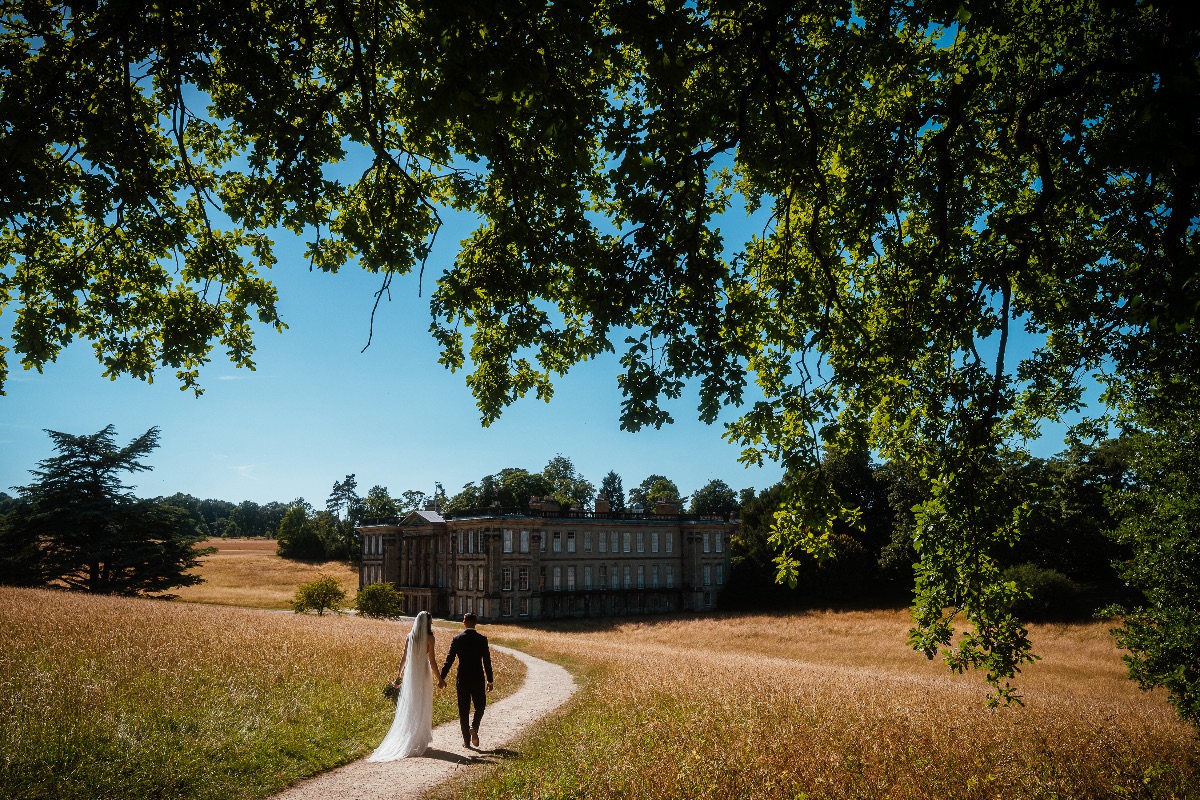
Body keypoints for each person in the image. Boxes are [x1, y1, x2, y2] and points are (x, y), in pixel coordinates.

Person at [368, 611, 439, 760]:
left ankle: (412, 737)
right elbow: (432, 661)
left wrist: (399, 676)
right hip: (423, 673)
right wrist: (440, 678)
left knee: (412, 704)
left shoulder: (410, 637)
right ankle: (419, 739)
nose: (431, 623)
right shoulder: (430, 638)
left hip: (411, 673)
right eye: (430, 621)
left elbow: (404, 658)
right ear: (427, 622)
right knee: (422, 703)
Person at [438, 612, 493, 749]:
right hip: (478, 678)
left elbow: (449, 660)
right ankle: (474, 727)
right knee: (480, 706)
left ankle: (467, 742)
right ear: (475, 623)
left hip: (462, 678)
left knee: (463, 710)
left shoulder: (457, 639)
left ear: (464, 623)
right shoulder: (482, 639)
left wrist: (441, 677)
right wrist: (490, 680)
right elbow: (487, 661)